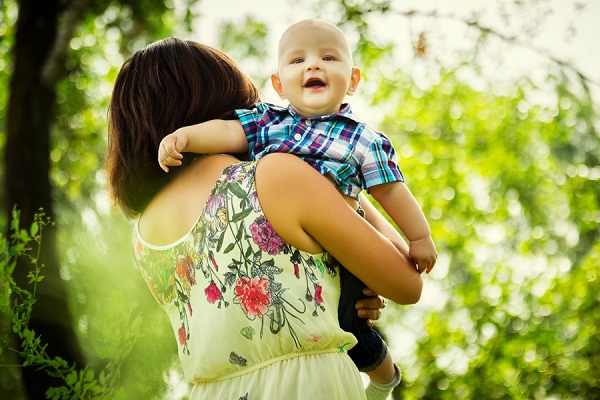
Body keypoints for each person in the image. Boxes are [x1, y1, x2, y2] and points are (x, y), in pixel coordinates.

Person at [106, 37, 423, 400]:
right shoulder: (273, 176)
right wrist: (348, 190)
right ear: (219, 97)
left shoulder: (144, 234)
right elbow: (408, 283)